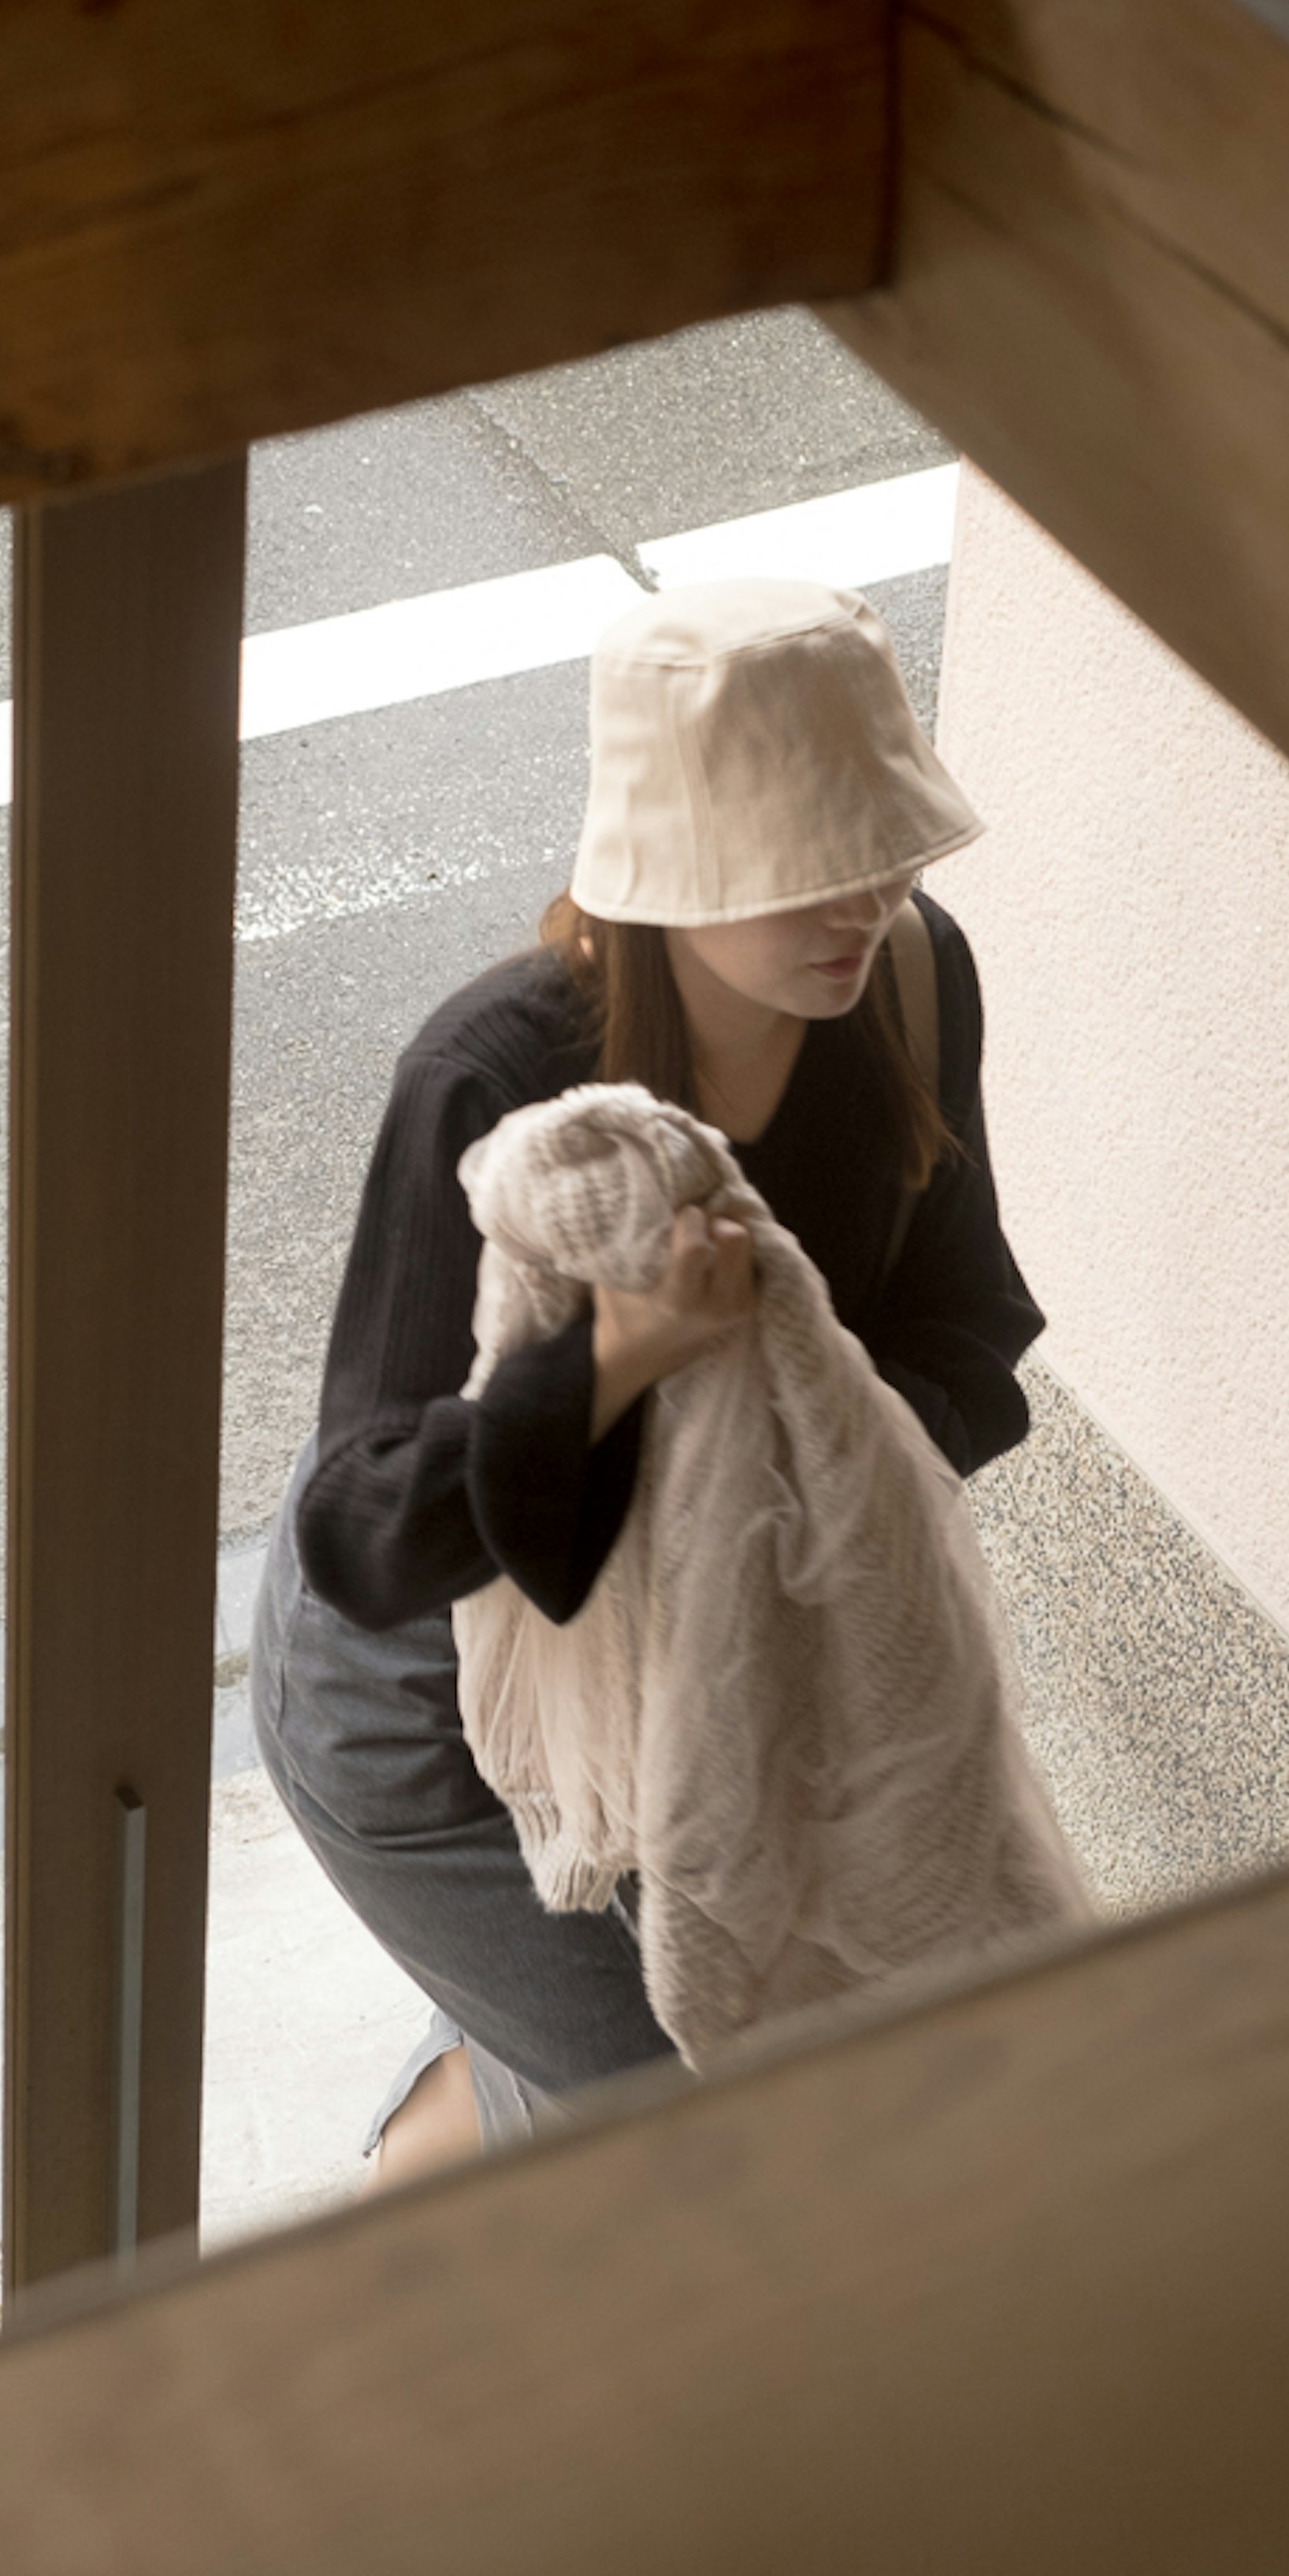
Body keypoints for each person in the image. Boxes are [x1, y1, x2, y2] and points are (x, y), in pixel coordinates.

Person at [252, 573, 1044, 2181]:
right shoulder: (498, 1077)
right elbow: (366, 1531)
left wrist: (833, 1487)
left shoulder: (908, 976)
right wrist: (628, 1354)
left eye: (881, 853)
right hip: (434, 1696)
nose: (858, 904)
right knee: (688, 2103)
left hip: (716, 1656)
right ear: (662, 876)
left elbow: (972, 1319)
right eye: (801, 871)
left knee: (748, 2031)